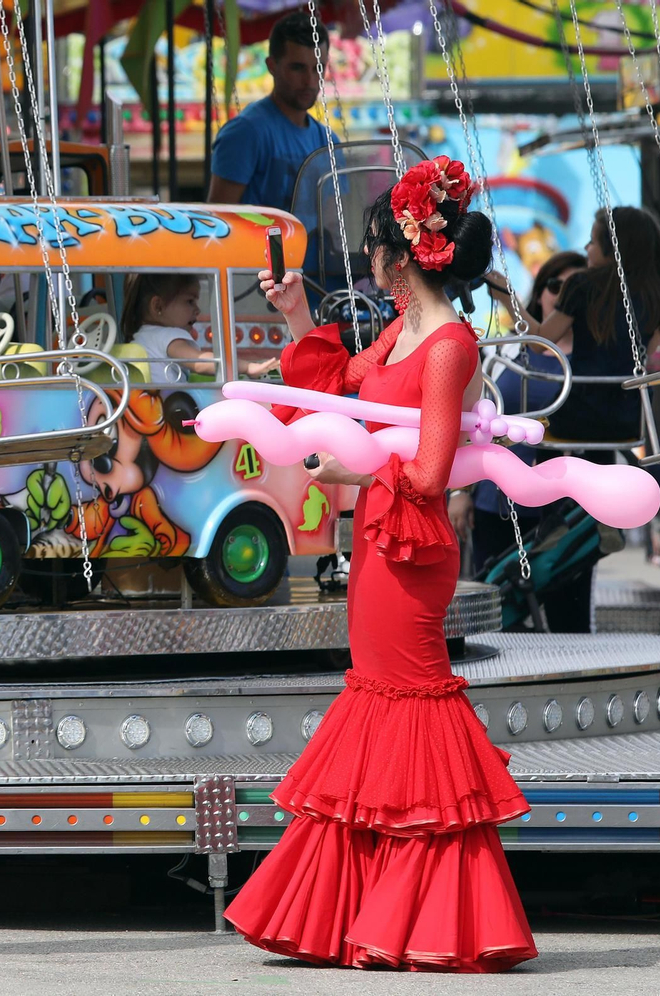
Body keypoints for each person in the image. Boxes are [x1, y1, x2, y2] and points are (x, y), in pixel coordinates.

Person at [224, 157, 537, 971]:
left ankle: (429, 915)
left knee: (408, 708)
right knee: (379, 706)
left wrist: (353, 474)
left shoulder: (448, 347)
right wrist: (296, 314)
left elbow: (430, 472)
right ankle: (367, 914)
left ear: (401, 257)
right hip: (378, 535)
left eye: (371, 250)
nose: (366, 263)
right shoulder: (402, 332)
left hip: (410, 539)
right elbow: (336, 390)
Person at [486, 209, 660, 629]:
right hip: (624, 421)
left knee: (545, 453)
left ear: (613, 247)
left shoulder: (582, 286)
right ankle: (595, 525)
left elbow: (543, 342)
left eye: (593, 242)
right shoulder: (655, 293)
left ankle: (558, 527)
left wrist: (506, 298)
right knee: (592, 485)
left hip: (575, 418)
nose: (586, 249)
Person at [452, 250, 584, 574]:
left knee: (569, 616)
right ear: (539, 292)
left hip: (567, 509)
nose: (562, 296)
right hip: (495, 501)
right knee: (497, 602)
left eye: (576, 288)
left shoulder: (595, 358)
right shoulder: (509, 346)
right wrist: (459, 491)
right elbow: (474, 416)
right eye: (555, 285)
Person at [207, 13, 337, 274]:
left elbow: (335, 223)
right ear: (272, 65)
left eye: (318, 68)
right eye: (298, 67)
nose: (310, 81)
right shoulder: (245, 133)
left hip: (319, 284)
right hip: (258, 286)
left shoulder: (328, 140)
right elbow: (218, 224)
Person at [122, 273, 279, 382]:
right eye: (190, 301)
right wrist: (248, 366)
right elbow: (200, 362)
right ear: (158, 306)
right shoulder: (168, 336)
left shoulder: (141, 336)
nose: (197, 310)